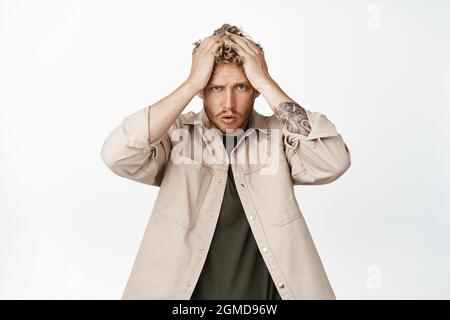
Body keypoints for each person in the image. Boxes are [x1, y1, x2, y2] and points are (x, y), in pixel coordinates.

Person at [100, 23, 351, 300]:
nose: (228, 103)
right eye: (216, 88)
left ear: (255, 89)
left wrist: (266, 80)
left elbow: (333, 160)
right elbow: (117, 154)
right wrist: (192, 83)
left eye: (241, 87)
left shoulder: (278, 137)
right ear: (202, 92)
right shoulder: (175, 135)